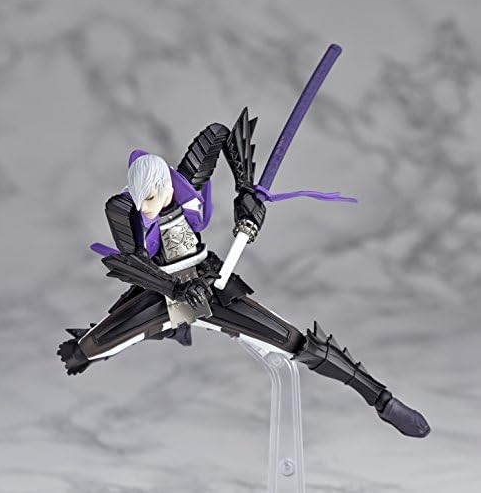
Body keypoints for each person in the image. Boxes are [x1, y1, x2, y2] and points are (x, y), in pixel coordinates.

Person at [58, 113, 430, 438]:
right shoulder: (124, 210)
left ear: (167, 182)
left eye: (155, 196)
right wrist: (175, 289)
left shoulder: (185, 182)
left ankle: (380, 399)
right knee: (84, 352)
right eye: (145, 202)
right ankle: (128, 339)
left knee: (296, 342)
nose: (151, 207)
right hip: (159, 292)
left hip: (210, 283)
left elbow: (218, 133)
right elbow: (132, 263)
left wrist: (245, 192)